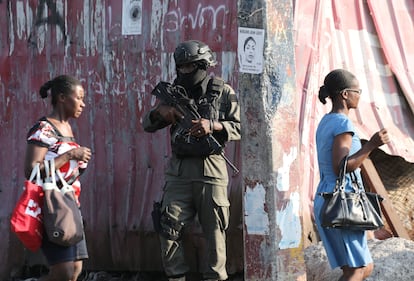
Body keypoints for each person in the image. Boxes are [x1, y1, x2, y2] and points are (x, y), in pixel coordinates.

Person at [142, 40, 241, 281]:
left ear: (204, 65)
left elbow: (239, 127)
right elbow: (147, 124)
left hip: (212, 168)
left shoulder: (223, 91)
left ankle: (215, 277)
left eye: (191, 67)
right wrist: (159, 113)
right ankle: (176, 277)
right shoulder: (173, 94)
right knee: (168, 226)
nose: (186, 72)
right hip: (179, 171)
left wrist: (212, 125)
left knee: (216, 231)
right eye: (182, 67)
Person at [314, 69, 390, 281]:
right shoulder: (342, 123)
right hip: (341, 202)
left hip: (327, 197)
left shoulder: (325, 121)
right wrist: (371, 145)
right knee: (357, 270)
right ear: (345, 94)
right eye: (358, 91)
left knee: (364, 267)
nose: (360, 95)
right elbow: (341, 166)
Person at [24, 75, 92, 281]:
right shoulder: (44, 129)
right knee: (63, 272)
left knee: (75, 270)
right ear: (62, 98)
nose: (83, 103)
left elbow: (63, 170)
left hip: (69, 206)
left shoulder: (67, 129)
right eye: (78, 98)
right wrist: (71, 155)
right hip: (51, 207)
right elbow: (31, 170)